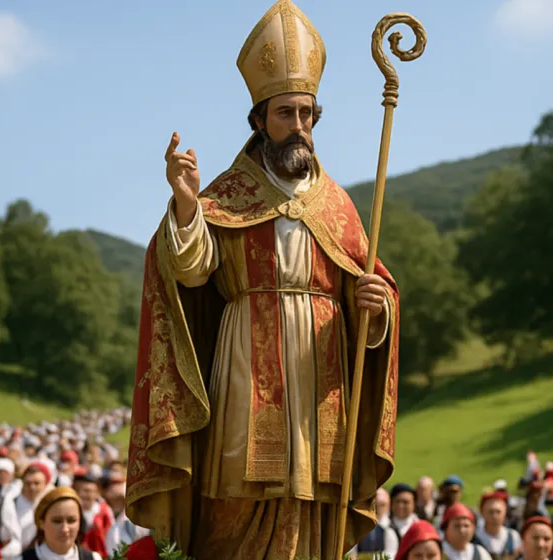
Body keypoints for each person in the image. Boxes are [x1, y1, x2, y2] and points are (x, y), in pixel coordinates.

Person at [124, 0, 400, 557]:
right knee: (238, 497)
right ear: (259, 120)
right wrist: (185, 206)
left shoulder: (339, 206)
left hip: (322, 378)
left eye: (306, 114)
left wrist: (378, 308)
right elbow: (191, 269)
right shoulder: (226, 195)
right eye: (285, 114)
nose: (298, 126)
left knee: (313, 503)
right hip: (245, 371)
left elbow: (367, 291)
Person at [17, 487, 102, 560]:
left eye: (71, 521)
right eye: (57, 521)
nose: (65, 529)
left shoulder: (93, 558)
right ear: (42, 523)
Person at [353, 487, 399, 557]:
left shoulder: (390, 528)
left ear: (388, 505)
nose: (378, 508)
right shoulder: (360, 526)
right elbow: (352, 550)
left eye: (382, 505)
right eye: (375, 505)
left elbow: (391, 553)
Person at [475, 492, 521, 560]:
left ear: (505, 513)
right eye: (491, 512)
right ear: (482, 513)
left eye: (498, 512)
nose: (494, 516)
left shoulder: (513, 536)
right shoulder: (475, 537)